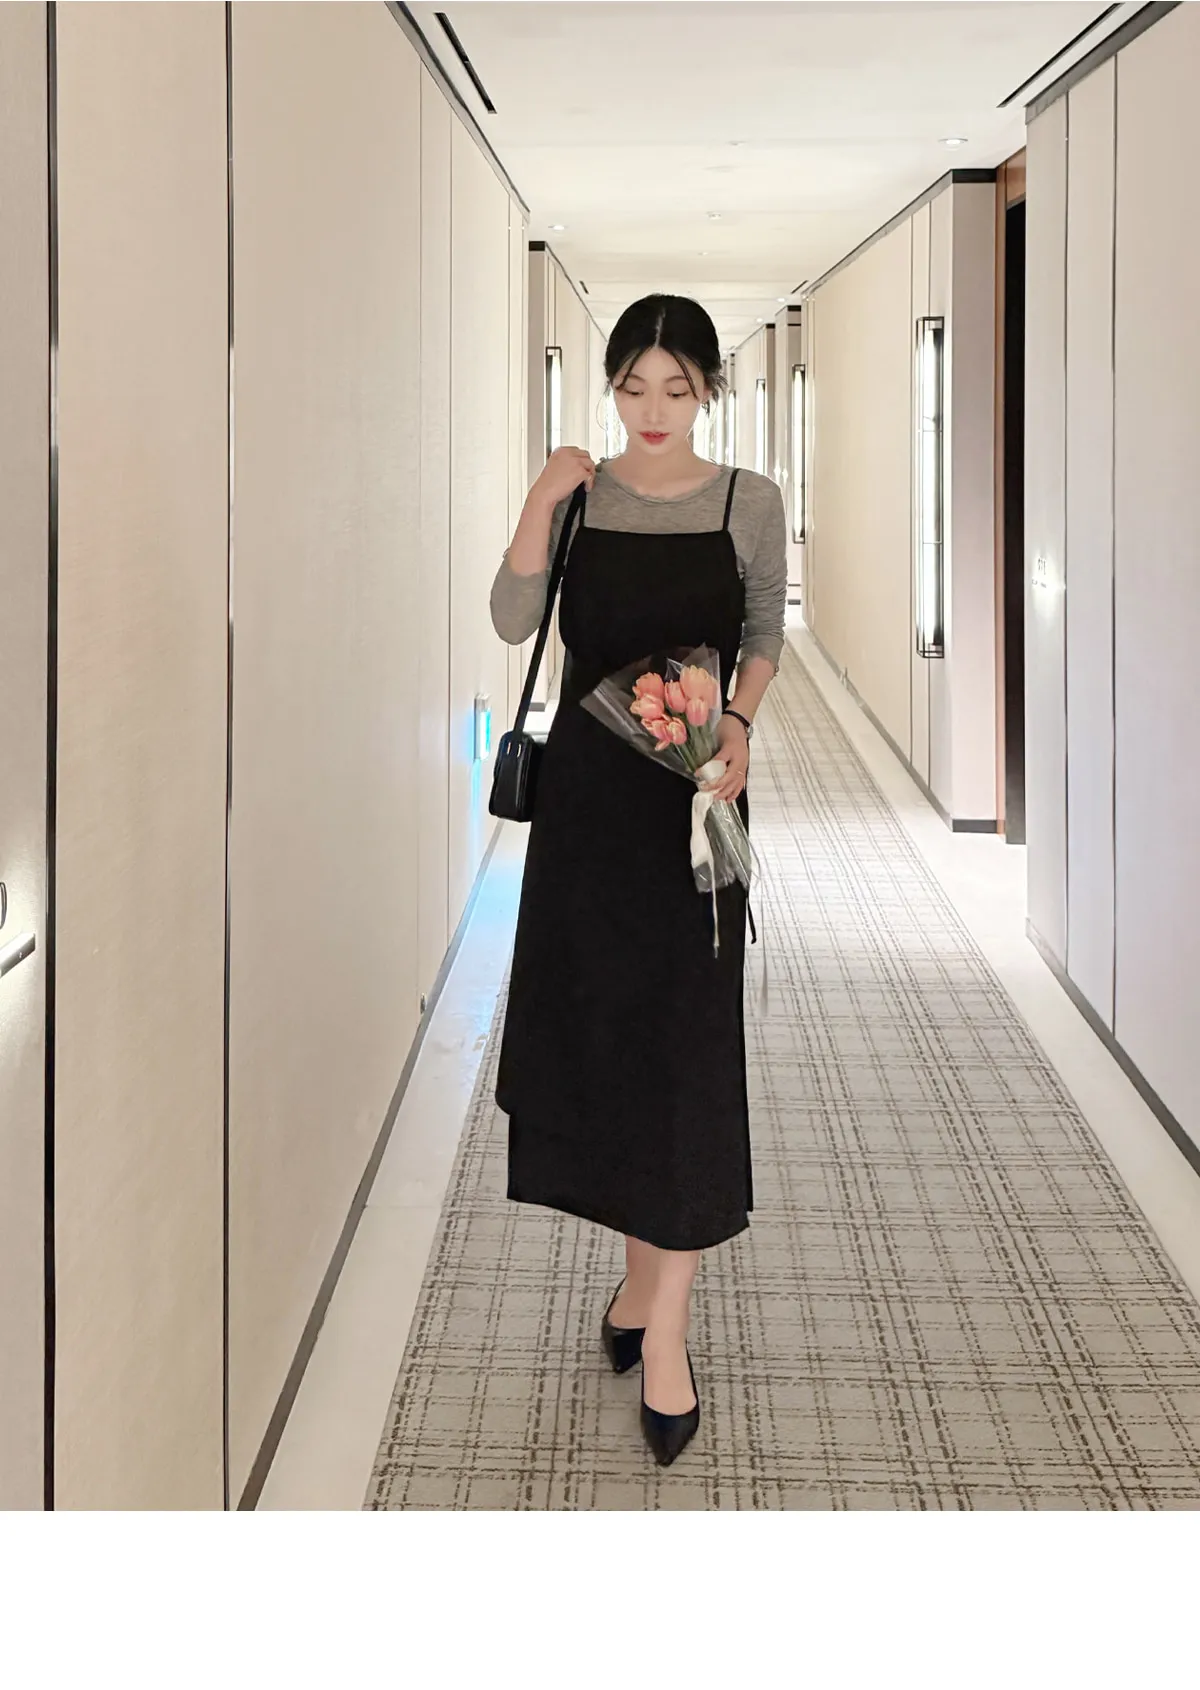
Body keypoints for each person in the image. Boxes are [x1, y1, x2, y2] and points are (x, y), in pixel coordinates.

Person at [489, 293, 787, 1466]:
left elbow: (762, 631)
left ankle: (666, 1329)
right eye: (632, 387)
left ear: (708, 391)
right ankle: (634, 1288)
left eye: (677, 388)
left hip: (700, 804)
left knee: (688, 1053)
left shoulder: (745, 499)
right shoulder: (581, 495)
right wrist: (540, 496)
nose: (653, 411)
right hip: (589, 818)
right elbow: (513, 617)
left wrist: (740, 725)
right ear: (610, 388)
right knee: (612, 1047)